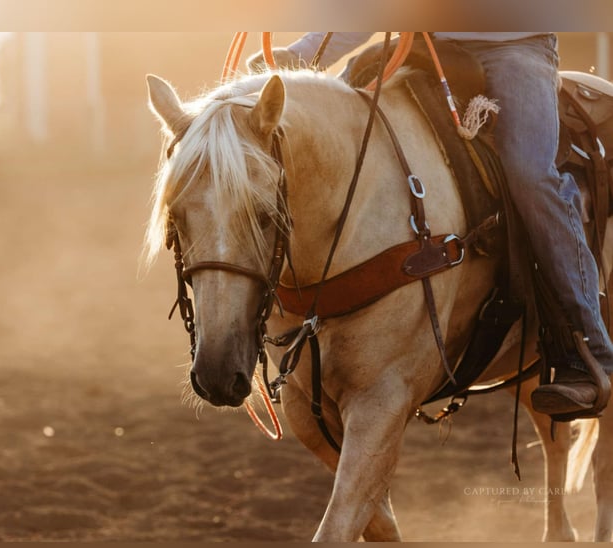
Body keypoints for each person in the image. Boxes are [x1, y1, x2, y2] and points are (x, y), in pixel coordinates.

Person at [248, 32, 613, 420]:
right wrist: (304, 53)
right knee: (334, 141)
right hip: (427, 43)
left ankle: (588, 345)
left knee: (529, 173)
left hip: (513, 45)